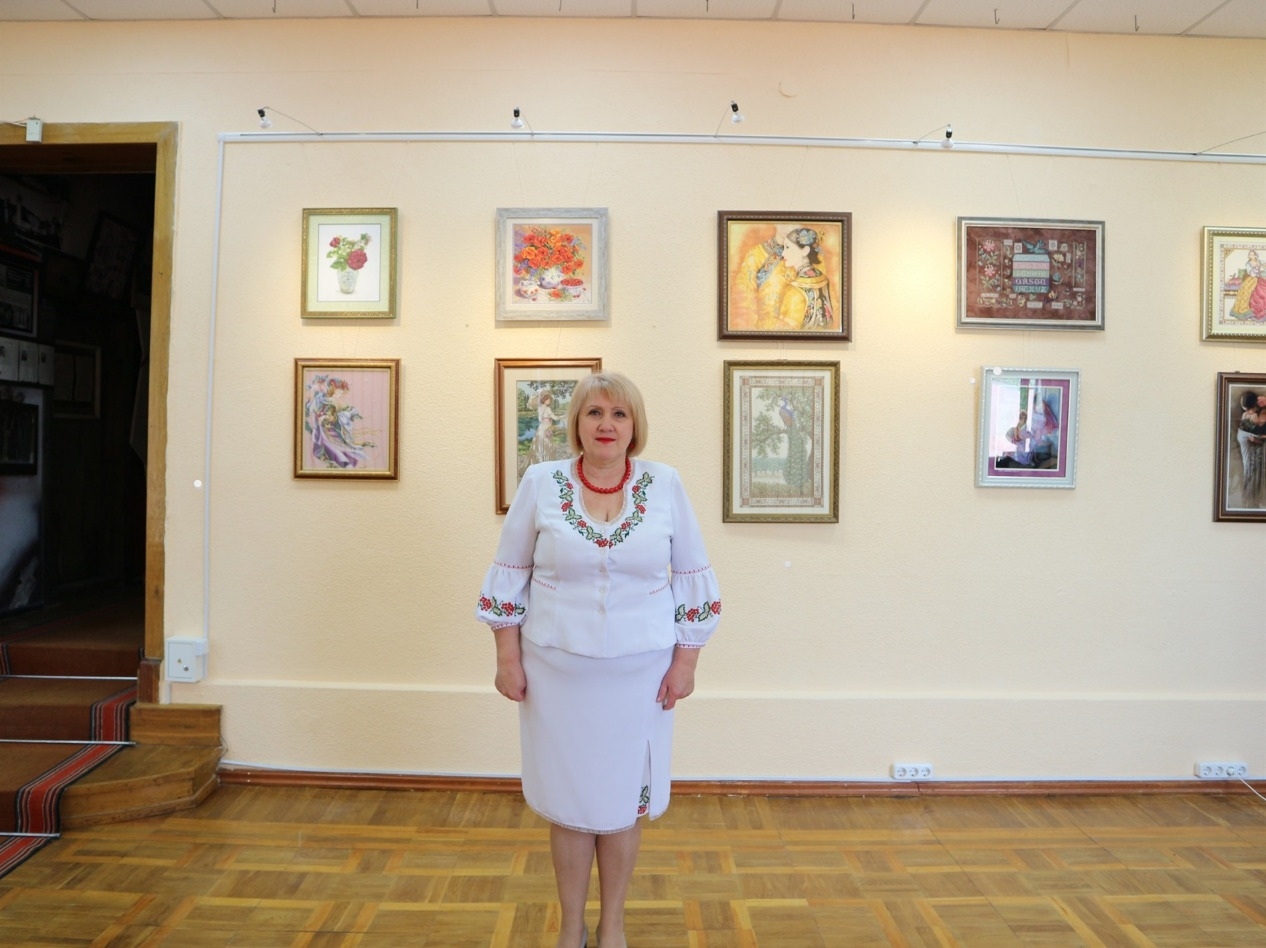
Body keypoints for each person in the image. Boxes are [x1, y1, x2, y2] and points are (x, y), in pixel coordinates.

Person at [476, 371, 721, 948]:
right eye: (594, 413)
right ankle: (571, 926)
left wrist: (686, 663)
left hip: (641, 675)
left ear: (635, 425)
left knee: (622, 803)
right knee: (569, 803)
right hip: (555, 673)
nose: (606, 424)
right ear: (576, 424)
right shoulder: (541, 482)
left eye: (618, 414)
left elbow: (692, 575)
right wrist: (507, 658)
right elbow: (509, 573)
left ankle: (613, 925)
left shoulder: (665, 484)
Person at [769, 227, 835, 331]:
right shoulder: (823, 279)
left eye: (788, 247)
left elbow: (785, 333)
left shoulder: (794, 289)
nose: (783, 253)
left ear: (805, 251)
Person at [1237, 390, 1266, 507]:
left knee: (1250, 470)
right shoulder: (1253, 417)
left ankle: (1250, 498)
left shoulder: (1245, 415)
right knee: (1250, 470)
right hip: (1249, 443)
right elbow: (1255, 433)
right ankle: (1249, 498)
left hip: (1248, 443)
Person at [526, 389, 564, 465]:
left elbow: (540, 419)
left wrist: (546, 418)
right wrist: (564, 416)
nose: (549, 401)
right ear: (544, 400)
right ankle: (546, 462)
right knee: (547, 444)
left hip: (541, 427)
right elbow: (555, 418)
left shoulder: (540, 408)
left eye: (549, 399)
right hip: (547, 427)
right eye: (548, 399)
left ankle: (540, 461)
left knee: (540, 443)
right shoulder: (548, 408)